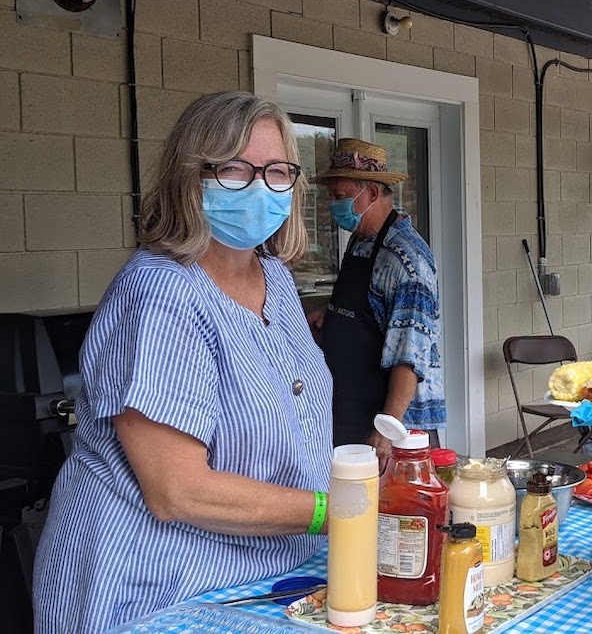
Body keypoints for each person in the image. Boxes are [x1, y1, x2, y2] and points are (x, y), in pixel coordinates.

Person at [32, 92, 334, 633]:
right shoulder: (161, 293)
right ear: (191, 177)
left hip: (270, 570)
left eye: (278, 171)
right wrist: (333, 511)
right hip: (157, 586)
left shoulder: (278, 281)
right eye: (235, 169)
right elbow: (177, 490)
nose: (261, 186)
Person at [309, 138, 443, 468]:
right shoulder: (362, 241)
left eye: (339, 196)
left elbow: (409, 354)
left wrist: (387, 428)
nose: (332, 205)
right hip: (351, 408)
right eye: (331, 196)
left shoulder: (407, 261)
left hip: (391, 425)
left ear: (370, 193)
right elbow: (373, 310)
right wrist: (333, 316)